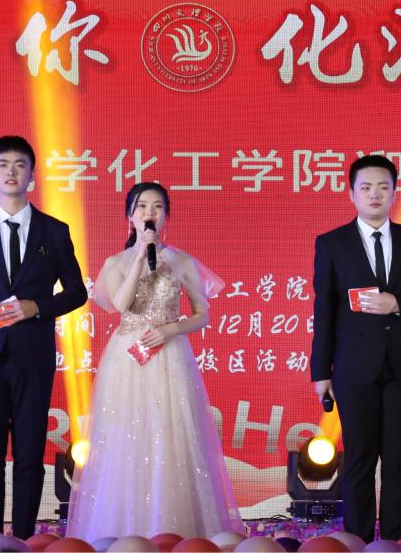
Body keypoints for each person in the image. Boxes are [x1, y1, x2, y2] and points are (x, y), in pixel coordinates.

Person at [66, 183, 243, 541]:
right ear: (130, 216)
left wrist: (170, 330)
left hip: (169, 356)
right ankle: (122, 532)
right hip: (127, 359)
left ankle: (176, 530)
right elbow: (120, 304)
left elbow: (203, 314)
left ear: (166, 216)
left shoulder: (181, 261)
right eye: (142, 206)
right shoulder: (115, 263)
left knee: (172, 436)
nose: (150, 213)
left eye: (158, 206)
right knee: (126, 438)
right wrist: (138, 256)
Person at [0, 135, 87, 539]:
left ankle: (23, 539)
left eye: (20, 165)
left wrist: (35, 307)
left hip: (32, 358)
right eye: (3, 165)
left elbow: (77, 292)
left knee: (28, 456)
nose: (11, 172)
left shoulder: (53, 231)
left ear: (32, 176)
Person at [311, 155, 401, 542]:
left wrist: (398, 304)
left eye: (383, 187)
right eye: (366, 187)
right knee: (359, 459)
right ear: (352, 193)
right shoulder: (332, 244)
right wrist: (320, 372)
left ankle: (394, 541)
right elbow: (324, 311)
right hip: (354, 368)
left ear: (394, 192)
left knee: (399, 460)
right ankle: (357, 541)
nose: (374, 194)